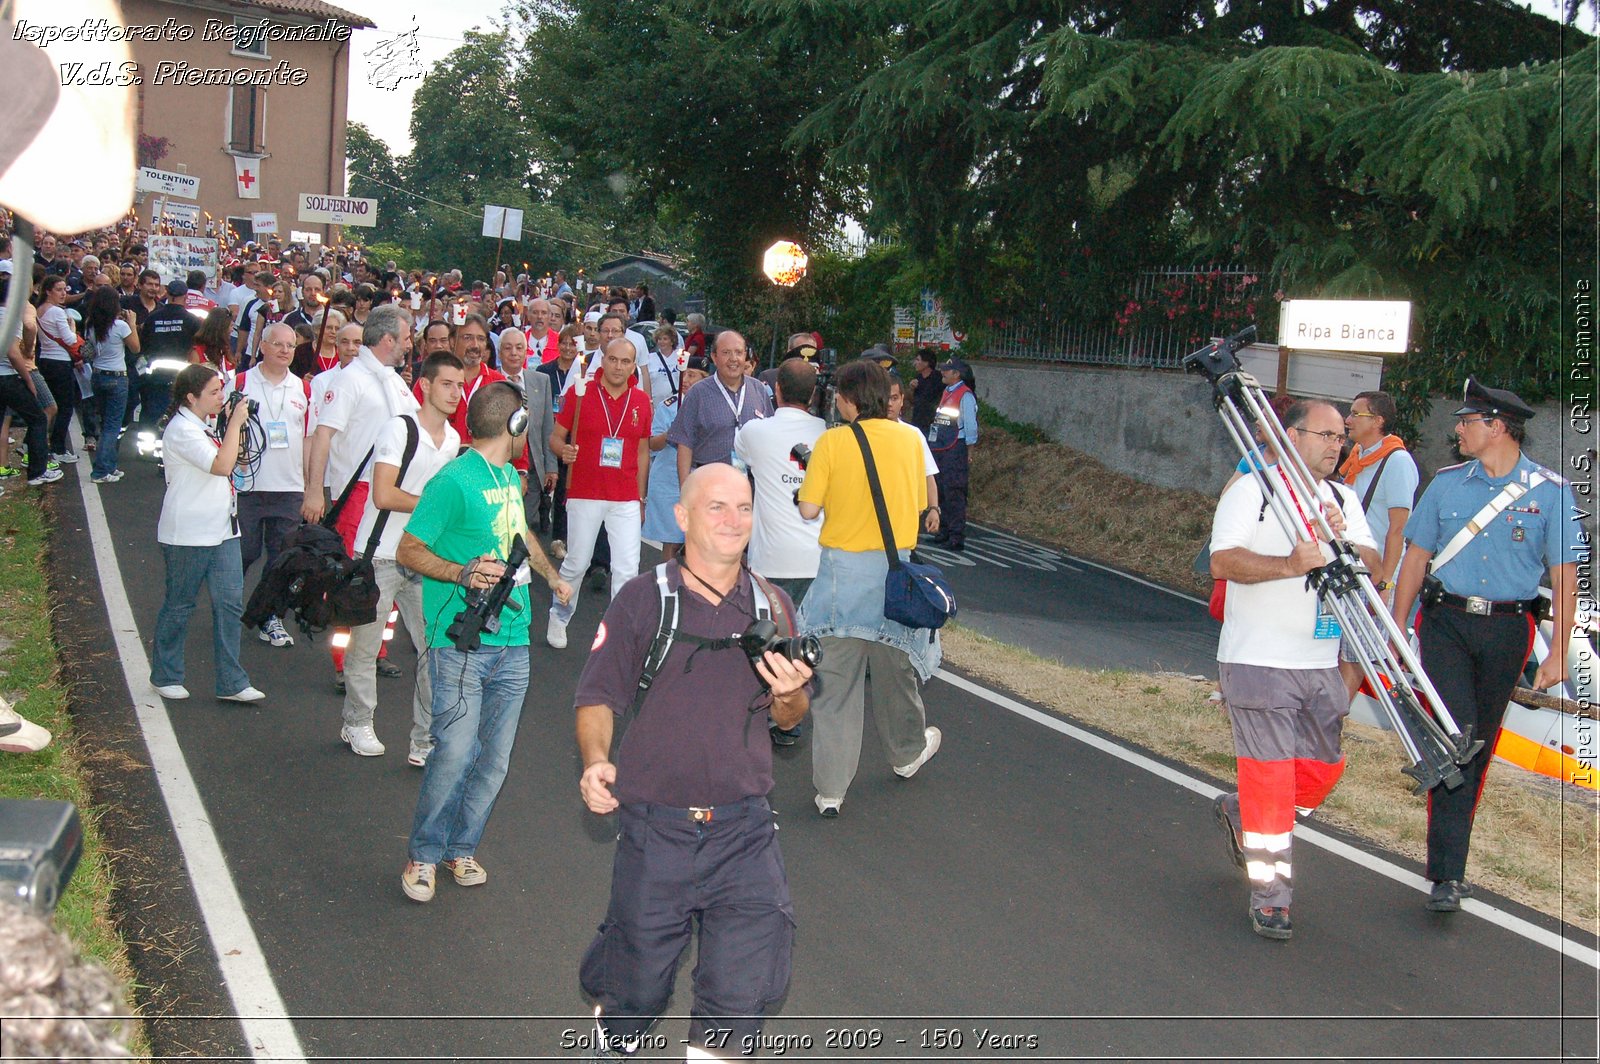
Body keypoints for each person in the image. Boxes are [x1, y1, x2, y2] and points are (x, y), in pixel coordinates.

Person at [573, 464, 813, 1061]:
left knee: (740, 995)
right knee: (638, 987)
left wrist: (789, 695)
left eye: (743, 508)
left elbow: (792, 718)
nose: (734, 520)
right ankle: (618, 1029)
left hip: (745, 831)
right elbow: (598, 697)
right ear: (681, 517)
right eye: (716, 507)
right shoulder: (644, 598)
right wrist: (596, 760)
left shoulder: (775, 605)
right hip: (657, 828)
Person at [1390, 378, 1583, 914]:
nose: (1457, 430)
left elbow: (1565, 579)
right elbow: (1415, 559)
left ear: (1497, 427)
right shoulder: (1446, 484)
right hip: (1445, 622)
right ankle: (1447, 873)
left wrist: (1559, 653)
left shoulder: (1552, 493)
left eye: (1467, 421)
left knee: (1480, 741)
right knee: (1458, 736)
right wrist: (1397, 627)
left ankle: (1452, 862)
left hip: (1507, 630)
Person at [1209, 399, 1379, 941]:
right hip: (1257, 659)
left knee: (1317, 773)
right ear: (1291, 436)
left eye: (1341, 438)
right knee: (1269, 777)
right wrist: (1289, 565)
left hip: (1319, 663)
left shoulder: (1342, 499)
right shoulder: (1254, 491)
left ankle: (1242, 810)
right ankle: (1271, 897)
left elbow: (1374, 569)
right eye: (1325, 434)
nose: (1336, 445)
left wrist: (1342, 541)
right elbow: (1222, 561)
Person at [396, 381, 572, 903]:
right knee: (453, 752)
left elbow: (520, 537)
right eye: (527, 423)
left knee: (494, 758)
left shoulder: (507, 479)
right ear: (516, 426)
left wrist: (551, 576)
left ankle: (460, 848)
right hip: (461, 644)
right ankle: (423, 856)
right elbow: (409, 549)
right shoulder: (452, 481)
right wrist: (461, 571)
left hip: (514, 644)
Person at [796, 360, 942, 817]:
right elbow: (918, 505)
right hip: (894, 582)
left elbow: (807, 509)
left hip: (842, 580)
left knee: (836, 687)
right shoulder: (909, 441)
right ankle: (906, 753)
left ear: (846, 398)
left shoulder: (832, 442)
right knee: (896, 677)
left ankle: (831, 790)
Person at [341, 352, 465, 764]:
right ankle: (357, 721)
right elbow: (384, 494)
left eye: (460, 385)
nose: (455, 392)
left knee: (435, 650)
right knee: (365, 648)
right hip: (377, 556)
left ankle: (424, 739)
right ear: (425, 386)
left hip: (422, 559)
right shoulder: (399, 429)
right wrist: (434, 508)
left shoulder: (451, 440)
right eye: (447, 384)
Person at [149, 364, 266, 704]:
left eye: (221, 390)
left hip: (223, 528)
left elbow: (234, 460)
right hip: (187, 532)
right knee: (180, 604)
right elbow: (220, 466)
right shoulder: (182, 430)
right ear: (191, 397)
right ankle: (165, 674)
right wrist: (236, 423)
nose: (221, 397)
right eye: (214, 392)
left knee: (230, 604)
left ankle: (232, 680)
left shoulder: (205, 425)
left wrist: (232, 428)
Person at [734, 359, 827, 744]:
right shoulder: (829, 434)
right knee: (805, 641)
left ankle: (774, 715)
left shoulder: (755, 430)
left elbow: (739, 465)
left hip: (772, 557)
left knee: (768, 639)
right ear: (815, 395)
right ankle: (792, 713)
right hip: (819, 556)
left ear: (776, 392)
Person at [546, 339, 652, 650]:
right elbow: (555, 437)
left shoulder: (642, 400)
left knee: (627, 569)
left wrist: (641, 496)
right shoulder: (579, 393)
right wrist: (563, 451)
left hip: (626, 496)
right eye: (613, 359)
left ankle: (618, 632)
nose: (619, 366)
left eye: (625, 361)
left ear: (633, 366)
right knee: (577, 562)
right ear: (602, 360)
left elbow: (643, 451)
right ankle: (559, 614)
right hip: (585, 491)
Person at [1337, 389, 1419, 699]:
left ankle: (1332, 723)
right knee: (1334, 649)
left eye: (1356, 414)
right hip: (1348, 567)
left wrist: (1384, 583)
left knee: (1354, 656)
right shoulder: (1357, 459)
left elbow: (1398, 528)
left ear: (1379, 421)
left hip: (1373, 575)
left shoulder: (1396, 462)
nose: (1348, 420)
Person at [233, 323, 309, 649]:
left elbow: (310, 438)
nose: (284, 350)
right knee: (244, 552)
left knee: (281, 559)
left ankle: (269, 616)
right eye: (277, 344)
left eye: (290, 346)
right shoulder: (240, 383)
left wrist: (311, 484)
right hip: (248, 485)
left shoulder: (303, 390)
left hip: (289, 488)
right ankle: (229, 607)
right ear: (262, 346)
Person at [667, 329, 773, 485]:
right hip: (708, 483)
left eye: (738, 352)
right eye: (726, 353)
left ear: (745, 356)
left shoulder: (758, 390)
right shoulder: (698, 393)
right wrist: (685, 491)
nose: (733, 359)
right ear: (714, 357)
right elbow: (684, 443)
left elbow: (769, 438)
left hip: (751, 485)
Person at [641, 355, 710, 561]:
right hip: (669, 479)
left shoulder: (710, 406)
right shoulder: (669, 405)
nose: (687, 380)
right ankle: (667, 584)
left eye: (693, 375)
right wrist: (671, 433)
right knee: (672, 539)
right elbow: (652, 443)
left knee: (696, 541)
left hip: (699, 478)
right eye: (685, 374)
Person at [81, 285, 139, 484]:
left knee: (106, 422)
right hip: (117, 376)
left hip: (97, 375)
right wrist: (132, 323)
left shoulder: (91, 324)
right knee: (112, 426)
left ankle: (110, 466)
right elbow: (136, 347)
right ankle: (100, 471)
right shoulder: (120, 326)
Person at [0, 277, 55, 485]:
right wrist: (28, 380)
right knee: (38, 418)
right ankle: (37, 471)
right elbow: (14, 354)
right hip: (7, 377)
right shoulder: (9, 318)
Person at [927, 356, 978, 551]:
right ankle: (944, 530)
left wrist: (969, 450)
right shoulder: (948, 392)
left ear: (957, 374)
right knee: (942, 490)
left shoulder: (965, 395)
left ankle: (956, 536)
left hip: (956, 448)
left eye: (947, 370)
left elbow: (971, 427)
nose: (943, 372)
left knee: (954, 491)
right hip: (942, 446)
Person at [33, 274, 80, 466]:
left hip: (45, 359)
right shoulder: (57, 312)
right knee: (65, 406)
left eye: (65, 289)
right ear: (48, 291)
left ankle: (37, 443)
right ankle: (58, 448)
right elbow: (70, 340)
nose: (63, 293)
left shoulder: (39, 310)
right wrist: (73, 327)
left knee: (48, 404)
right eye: (59, 290)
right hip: (60, 362)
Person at [908, 348, 942, 433]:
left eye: (917, 360)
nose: (915, 363)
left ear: (926, 363)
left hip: (933, 421)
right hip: (917, 420)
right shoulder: (918, 378)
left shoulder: (938, 378)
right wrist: (911, 389)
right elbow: (912, 401)